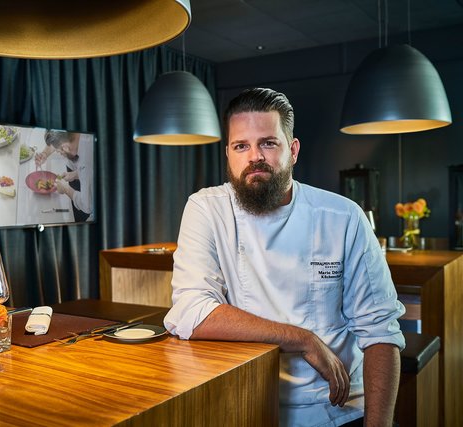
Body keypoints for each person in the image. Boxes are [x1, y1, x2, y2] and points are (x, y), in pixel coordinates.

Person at [163, 88, 406, 426]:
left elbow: (379, 331)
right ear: (228, 155)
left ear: (292, 151)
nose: (254, 157)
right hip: (246, 402)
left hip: (335, 407)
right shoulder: (206, 208)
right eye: (241, 146)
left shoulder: (343, 216)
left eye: (268, 143)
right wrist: (301, 338)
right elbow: (190, 311)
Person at [34, 129, 94, 222]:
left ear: (65, 148)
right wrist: (75, 175)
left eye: (59, 152)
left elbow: (87, 205)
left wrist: (66, 189)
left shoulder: (86, 164)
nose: (61, 155)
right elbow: (58, 138)